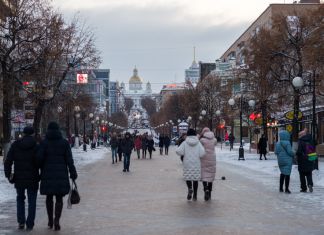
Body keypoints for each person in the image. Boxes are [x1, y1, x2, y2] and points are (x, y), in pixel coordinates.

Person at [37, 122, 78, 231]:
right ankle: (56, 220)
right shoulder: (64, 143)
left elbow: (39, 159)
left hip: (47, 175)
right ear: (58, 130)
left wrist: (40, 167)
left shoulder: (44, 143)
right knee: (59, 198)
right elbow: (69, 160)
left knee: (49, 197)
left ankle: (50, 220)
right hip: (61, 175)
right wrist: (73, 172)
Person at [4, 127, 39, 230]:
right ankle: (30, 223)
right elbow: (40, 161)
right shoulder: (36, 146)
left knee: (20, 198)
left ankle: (21, 222)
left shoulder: (15, 145)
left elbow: (8, 161)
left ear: (23, 134)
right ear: (33, 134)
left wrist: (8, 174)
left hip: (19, 178)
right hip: (33, 177)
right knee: (32, 200)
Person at [176, 129, 205, 201]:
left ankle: (190, 188)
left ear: (188, 135)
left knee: (188, 177)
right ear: (195, 134)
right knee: (195, 179)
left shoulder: (185, 143)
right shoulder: (198, 143)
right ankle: (195, 195)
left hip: (187, 163)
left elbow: (178, 151)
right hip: (196, 163)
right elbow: (202, 153)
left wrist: (184, 153)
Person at [199, 127, 217, 201]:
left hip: (204, 158)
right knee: (210, 176)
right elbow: (215, 144)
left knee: (204, 176)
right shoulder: (214, 140)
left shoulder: (202, 140)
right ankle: (209, 192)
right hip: (212, 158)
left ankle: (205, 189)